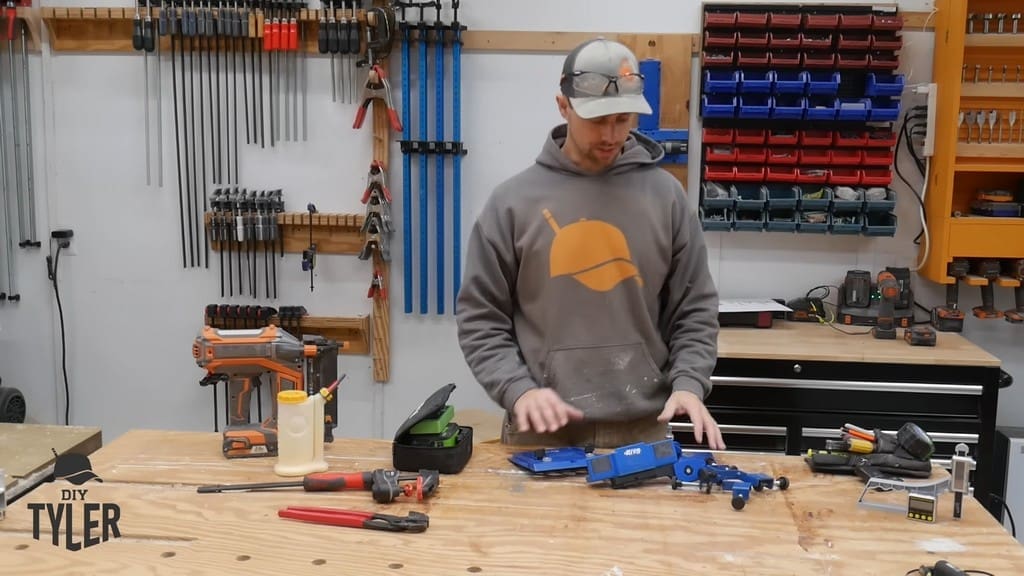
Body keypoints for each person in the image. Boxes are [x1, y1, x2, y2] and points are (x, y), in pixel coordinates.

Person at [455, 38, 724, 450]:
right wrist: (518, 389)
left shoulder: (666, 197)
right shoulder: (512, 203)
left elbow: (694, 309)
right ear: (563, 106)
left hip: (642, 430)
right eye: (597, 120)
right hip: (542, 431)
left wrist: (688, 383)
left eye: (623, 119)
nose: (611, 134)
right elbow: (480, 317)